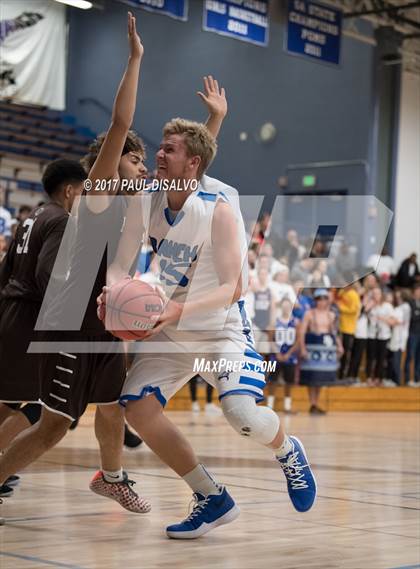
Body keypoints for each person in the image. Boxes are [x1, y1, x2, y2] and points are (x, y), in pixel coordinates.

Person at [102, 118, 316, 539]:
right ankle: (210, 496)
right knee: (138, 409)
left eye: (170, 150)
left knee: (241, 414)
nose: (159, 155)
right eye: (160, 148)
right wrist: (111, 295)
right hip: (170, 327)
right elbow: (120, 263)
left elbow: (233, 286)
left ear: (193, 163)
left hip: (221, 329)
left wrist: (173, 312)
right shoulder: (146, 200)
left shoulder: (218, 207)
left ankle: (288, 450)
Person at [0, 14, 151, 516]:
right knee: (53, 425)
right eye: (135, 160)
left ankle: (112, 477)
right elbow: (121, 124)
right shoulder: (100, 195)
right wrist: (134, 60)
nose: (142, 167)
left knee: (113, 403)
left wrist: (213, 126)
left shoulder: (135, 205)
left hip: (105, 325)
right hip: (72, 326)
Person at [299, 289, 343, 414]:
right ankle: (312, 403)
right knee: (311, 377)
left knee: (320, 377)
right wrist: (302, 348)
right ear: (316, 301)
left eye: (324, 299)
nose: (322, 302)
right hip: (313, 347)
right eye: (319, 299)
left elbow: (334, 332)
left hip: (325, 348)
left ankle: (315, 403)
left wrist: (339, 346)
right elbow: (302, 332)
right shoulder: (309, 314)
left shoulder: (331, 315)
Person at [267, 298, 300, 413]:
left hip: (290, 356)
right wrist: (277, 353)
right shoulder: (275, 322)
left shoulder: (296, 322)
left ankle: (287, 406)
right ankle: (270, 405)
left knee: (289, 382)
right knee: (272, 380)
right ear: (281, 307)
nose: (286, 309)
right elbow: (270, 339)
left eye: (288, 306)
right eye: (284, 306)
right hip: (276, 355)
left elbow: (298, 340)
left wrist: (289, 353)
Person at [364, 287, 395, 386]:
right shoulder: (371, 305)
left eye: (377, 293)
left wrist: (382, 318)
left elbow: (393, 322)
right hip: (372, 335)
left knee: (381, 358)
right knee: (370, 357)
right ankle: (369, 378)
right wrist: (370, 304)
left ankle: (378, 378)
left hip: (383, 335)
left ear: (381, 295)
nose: (376, 296)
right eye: (373, 294)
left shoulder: (387, 306)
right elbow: (363, 312)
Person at [336, 277, 361, 380]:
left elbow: (354, 310)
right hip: (340, 326)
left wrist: (340, 308)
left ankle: (342, 375)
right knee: (339, 351)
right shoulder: (342, 292)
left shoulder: (353, 295)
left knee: (345, 353)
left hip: (348, 328)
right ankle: (337, 373)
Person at [387, 290, 411, 386]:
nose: (397, 297)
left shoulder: (402, 308)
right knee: (395, 358)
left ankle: (397, 381)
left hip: (399, 336)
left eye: (398, 295)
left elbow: (396, 321)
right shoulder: (405, 307)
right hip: (400, 335)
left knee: (396, 359)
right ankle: (395, 380)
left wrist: (384, 318)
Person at [405, 284, 420, 386]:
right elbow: (412, 317)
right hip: (412, 333)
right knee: (410, 355)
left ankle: (417, 379)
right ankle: (406, 379)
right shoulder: (410, 303)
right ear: (414, 291)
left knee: (419, 357)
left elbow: (416, 315)